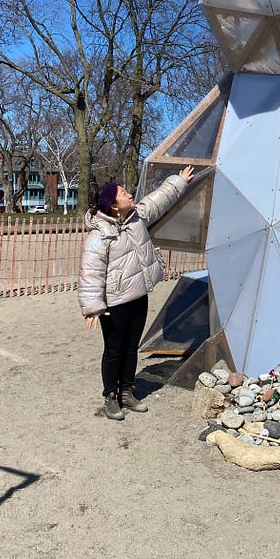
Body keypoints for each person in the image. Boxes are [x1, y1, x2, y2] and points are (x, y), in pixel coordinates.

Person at [78, 167, 194, 420]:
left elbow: (159, 200)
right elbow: (91, 272)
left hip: (139, 296)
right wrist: (92, 307)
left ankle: (127, 391)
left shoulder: (137, 217)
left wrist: (179, 181)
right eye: (123, 193)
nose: (130, 194)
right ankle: (110, 396)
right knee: (114, 350)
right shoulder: (99, 236)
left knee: (131, 348)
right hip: (115, 304)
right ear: (113, 205)